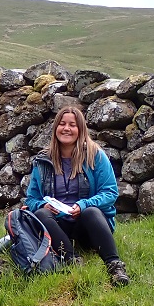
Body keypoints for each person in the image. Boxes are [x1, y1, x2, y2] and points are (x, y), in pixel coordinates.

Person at [24, 106, 130, 286]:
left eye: (72, 125)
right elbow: (31, 199)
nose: (66, 128)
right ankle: (71, 259)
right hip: (57, 226)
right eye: (62, 124)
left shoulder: (95, 155)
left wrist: (83, 205)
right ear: (55, 128)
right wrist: (42, 205)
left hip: (89, 226)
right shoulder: (42, 160)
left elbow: (110, 192)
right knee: (42, 214)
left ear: (80, 129)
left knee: (91, 211)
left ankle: (114, 266)